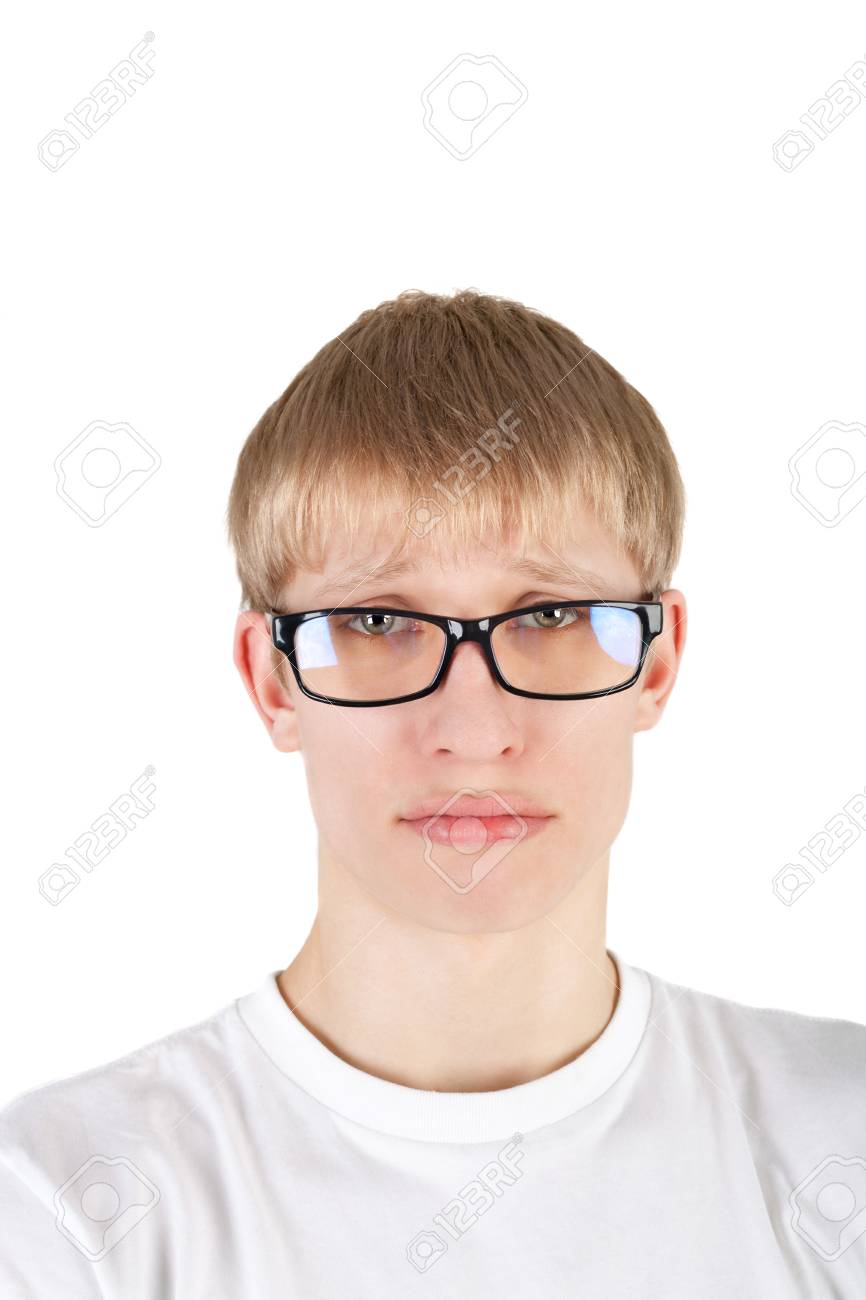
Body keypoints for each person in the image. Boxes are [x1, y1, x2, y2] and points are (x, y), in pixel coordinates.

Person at [2, 289, 865, 1297]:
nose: (473, 731)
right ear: (272, 681)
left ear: (656, 663)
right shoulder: (63, 1210)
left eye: (549, 615)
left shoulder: (836, 1140)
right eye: (378, 623)